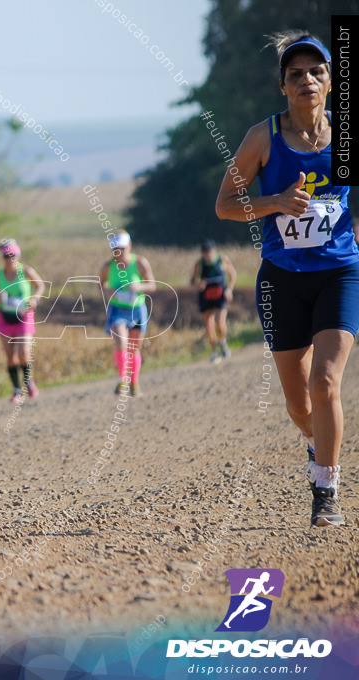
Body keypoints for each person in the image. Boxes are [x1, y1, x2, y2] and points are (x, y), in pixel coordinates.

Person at [215, 32, 358, 527]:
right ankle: (319, 446)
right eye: (295, 74)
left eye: (315, 72)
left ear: (330, 81)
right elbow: (225, 206)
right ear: (283, 86)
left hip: (340, 272)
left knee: (325, 382)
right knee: (299, 406)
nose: (306, 81)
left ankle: (327, 490)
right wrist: (274, 203)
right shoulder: (263, 138)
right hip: (281, 278)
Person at [0, 239, 45, 403]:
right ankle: (16, 390)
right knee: (11, 357)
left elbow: (40, 286)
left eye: (12, 255)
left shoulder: (26, 271)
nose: (9, 259)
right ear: (2, 257)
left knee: (24, 354)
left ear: (18, 255)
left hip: (24, 317)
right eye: (6, 256)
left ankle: (28, 380)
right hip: (5, 318)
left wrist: (35, 299)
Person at [98, 231, 155, 397]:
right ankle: (122, 380)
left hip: (137, 309)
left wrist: (139, 288)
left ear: (129, 246)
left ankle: (134, 383)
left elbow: (152, 285)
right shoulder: (108, 267)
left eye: (122, 248)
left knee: (134, 348)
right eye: (115, 249)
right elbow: (100, 285)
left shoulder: (140, 263)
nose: (118, 252)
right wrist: (109, 292)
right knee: (121, 343)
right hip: (118, 310)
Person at [190, 239, 237, 362]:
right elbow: (192, 282)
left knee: (220, 323)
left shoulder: (222, 259)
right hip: (205, 297)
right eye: (205, 253)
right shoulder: (199, 264)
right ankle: (213, 351)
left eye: (209, 252)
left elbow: (233, 274)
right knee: (208, 325)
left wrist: (230, 289)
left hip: (220, 295)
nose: (207, 255)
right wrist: (198, 285)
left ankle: (222, 341)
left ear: (214, 251)